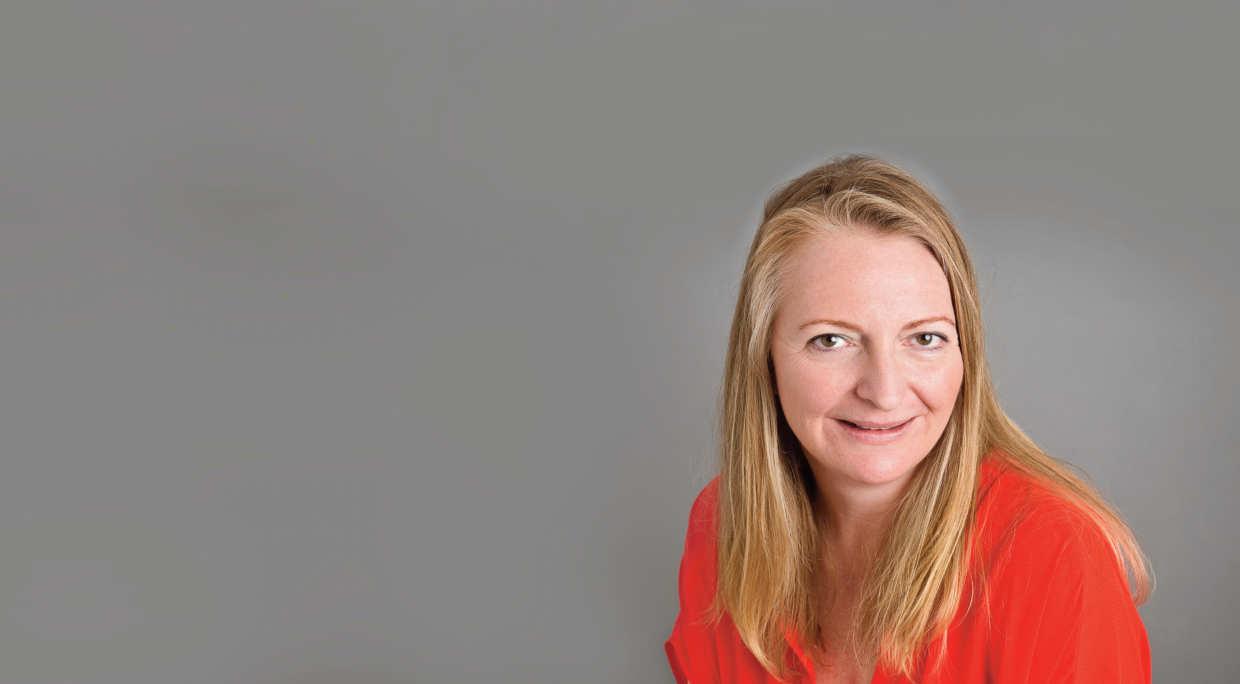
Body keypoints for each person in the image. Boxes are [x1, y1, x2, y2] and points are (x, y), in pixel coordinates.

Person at [664, 154, 1153, 683]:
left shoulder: (1052, 554)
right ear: (765, 359)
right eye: (831, 340)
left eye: (924, 338)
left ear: (965, 355)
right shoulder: (724, 526)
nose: (885, 391)